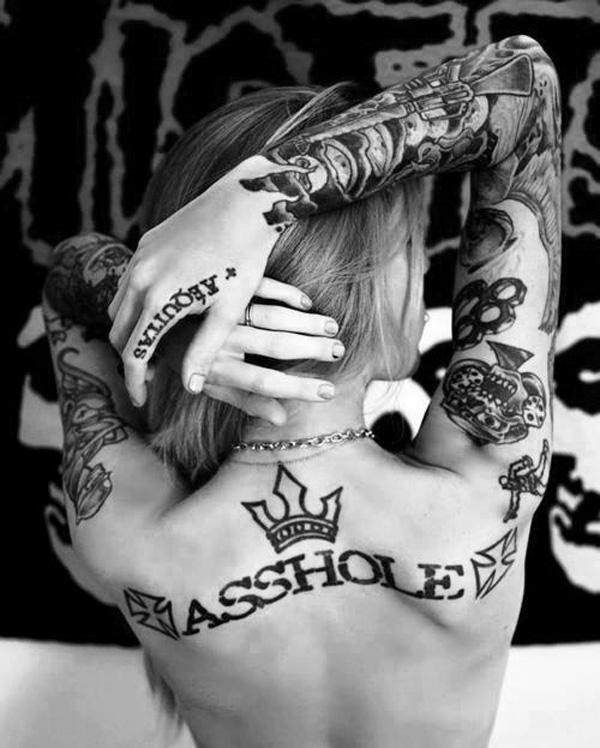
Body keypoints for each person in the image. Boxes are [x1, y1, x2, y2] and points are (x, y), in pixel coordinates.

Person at [42, 34, 560, 748]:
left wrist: (175, 324)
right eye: (413, 250)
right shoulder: (486, 485)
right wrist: (261, 198)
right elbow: (525, 88)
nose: (422, 272)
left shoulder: (134, 540)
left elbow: (67, 276)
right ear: (375, 280)